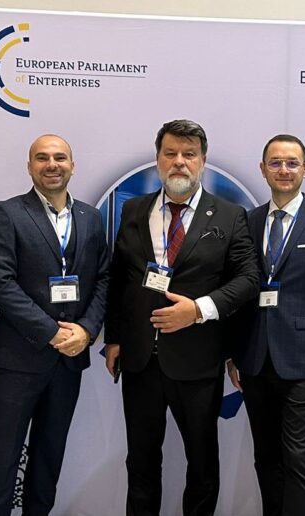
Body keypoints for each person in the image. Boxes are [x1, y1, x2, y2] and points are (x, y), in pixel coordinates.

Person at [104, 119, 259, 516]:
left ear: (202, 161)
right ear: (158, 159)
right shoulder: (134, 210)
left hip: (198, 359)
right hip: (140, 359)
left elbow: (248, 279)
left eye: (189, 154)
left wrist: (199, 309)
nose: (179, 162)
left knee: (202, 464)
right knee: (140, 462)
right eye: (170, 153)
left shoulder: (229, 215)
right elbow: (120, 277)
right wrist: (114, 337)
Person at [0, 135, 109, 515]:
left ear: (72, 165)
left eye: (60, 157)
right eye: (42, 158)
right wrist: (51, 331)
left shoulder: (90, 218)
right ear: (30, 166)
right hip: (20, 358)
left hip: (68, 361)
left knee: (48, 460)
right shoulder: (8, 213)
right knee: (0, 462)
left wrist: (86, 331)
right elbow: (0, 283)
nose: (52, 164)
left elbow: (104, 279)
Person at [227, 133, 305, 516]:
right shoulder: (247, 221)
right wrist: (233, 355)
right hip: (254, 360)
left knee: (299, 459)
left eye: (292, 163)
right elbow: (236, 293)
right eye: (276, 163)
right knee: (265, 457)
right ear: (263, 169)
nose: (284, 170)